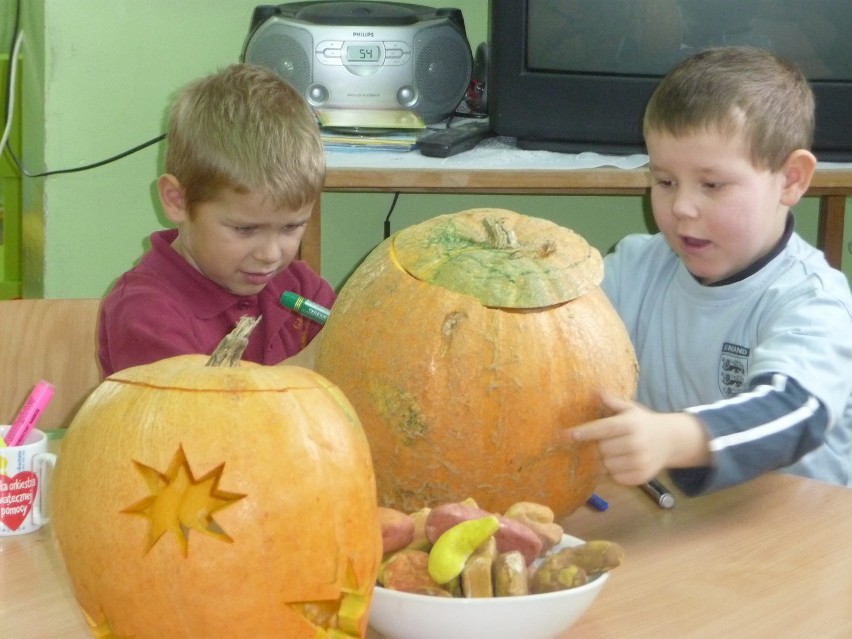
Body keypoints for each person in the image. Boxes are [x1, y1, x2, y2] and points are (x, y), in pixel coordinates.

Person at [570, 47, 852, 495]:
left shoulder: (813, 300)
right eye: (664, 182)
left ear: (791, 179)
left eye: (712, 185)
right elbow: (555, 346)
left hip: (804, 537)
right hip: (686, 524)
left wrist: (674, 438)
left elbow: (793, 409)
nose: (681, 207)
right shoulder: (634, 270)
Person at [98, 63, 333, 377]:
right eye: (245, 229)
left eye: (291, 227)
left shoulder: (303, 290)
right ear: (177, 201)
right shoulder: (145, 312)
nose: (271, 255)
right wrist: (315, 361)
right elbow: (197, 419)